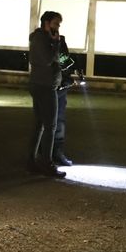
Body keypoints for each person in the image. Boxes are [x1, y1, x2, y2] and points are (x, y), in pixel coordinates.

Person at [27, 10, 66, 178]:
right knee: (50, 126)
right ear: (47, 23)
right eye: (56, 23)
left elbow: (62, 58)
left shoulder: (45, 38)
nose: (58, 27)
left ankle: (32, 161)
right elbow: (48, 60)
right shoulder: (40, 39)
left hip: (44, 84)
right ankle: (47, 164)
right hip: (45, 85)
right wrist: (56, 44)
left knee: (40, 125)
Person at [53, 33, 78, 166]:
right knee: (49, 122)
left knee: (60, 120)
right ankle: (47, 153)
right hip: (50, 88)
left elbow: (65, 62)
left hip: (61, 87)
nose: (57, 28)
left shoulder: (60, 41)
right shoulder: (44, 42)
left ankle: (56, 152)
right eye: (55, 24)